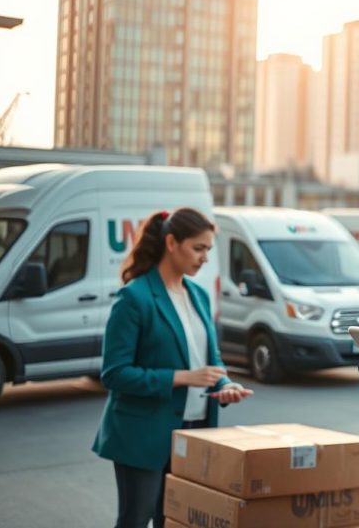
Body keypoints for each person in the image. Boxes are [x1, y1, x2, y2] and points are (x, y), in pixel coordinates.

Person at [92, 208, 253, 528]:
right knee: (135, 520)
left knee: (176, 520)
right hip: (142, 436)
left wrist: (224, 386)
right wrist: (181, 378)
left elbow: (210, 359)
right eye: (198, 248)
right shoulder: (134, 297)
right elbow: (114, 373)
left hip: (193, 430)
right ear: (171, 242)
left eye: (208, 249)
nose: (205, 258)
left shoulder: (199, 295)